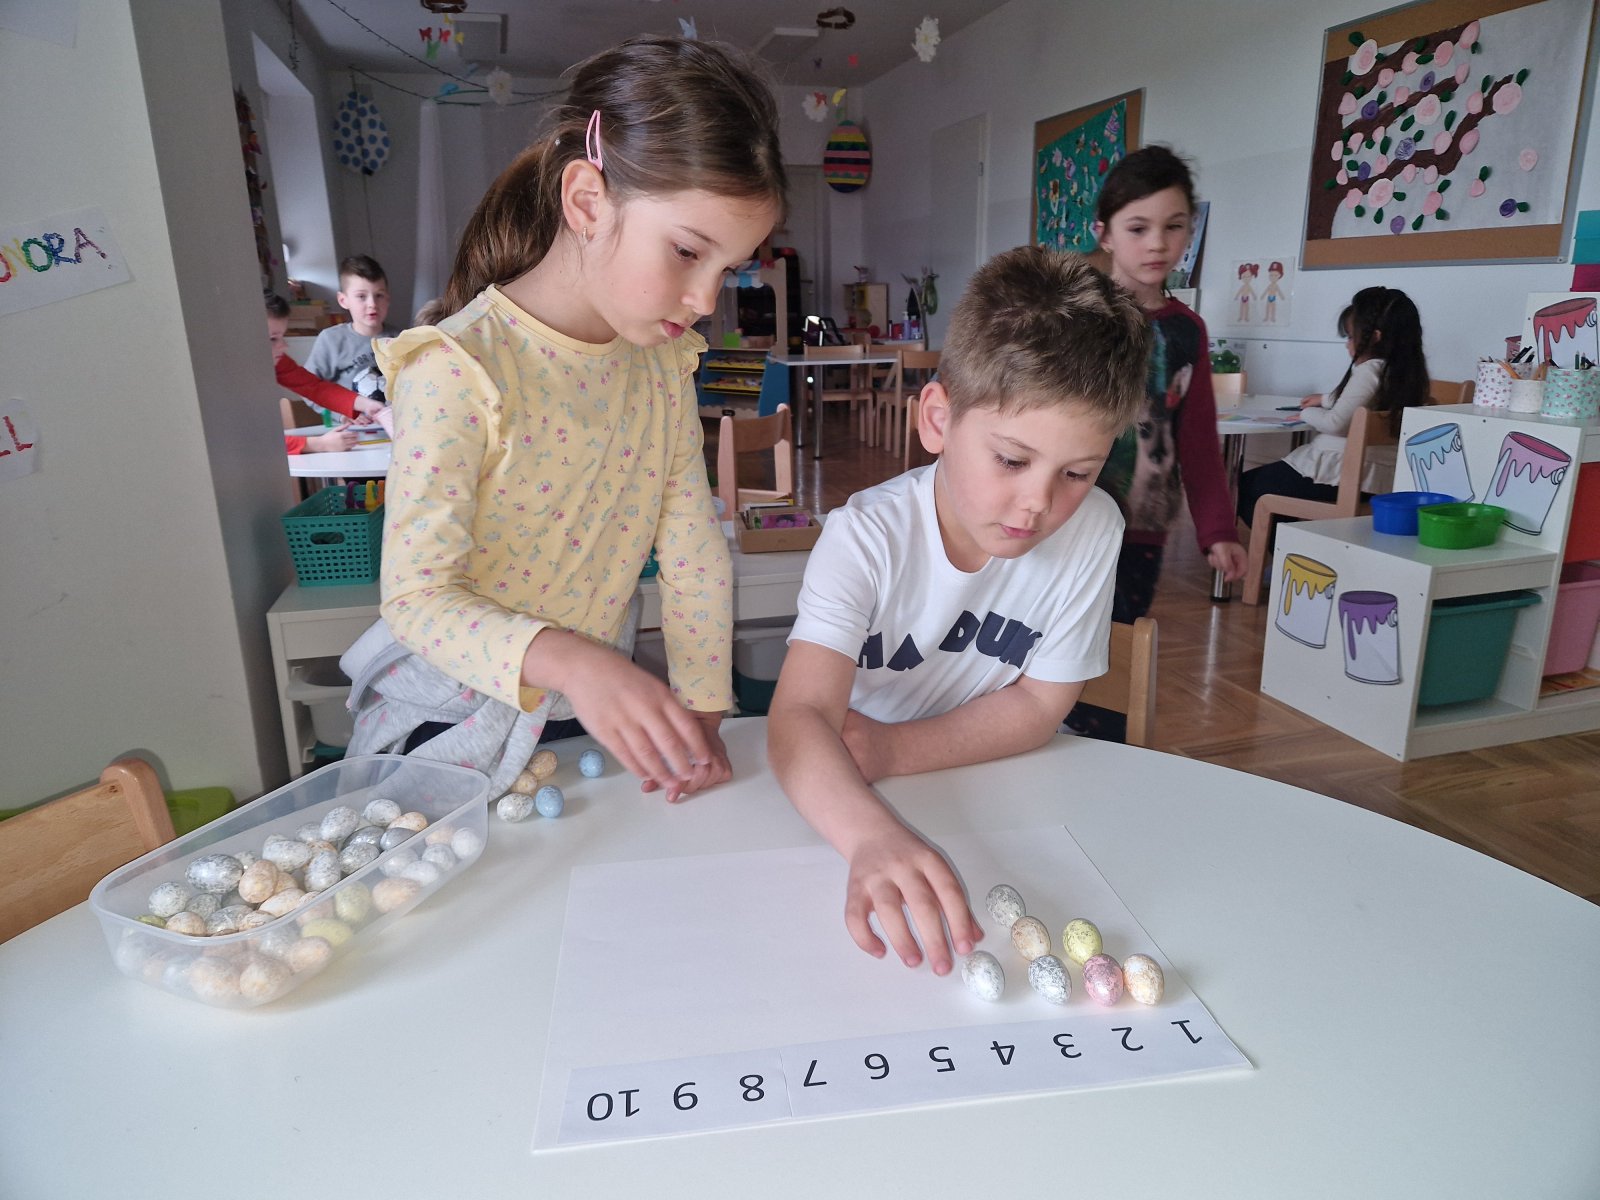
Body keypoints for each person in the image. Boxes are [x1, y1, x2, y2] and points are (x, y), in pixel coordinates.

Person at [339, 36, 786, 804]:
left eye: (729, 269)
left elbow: (694, 555)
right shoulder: (457, 367)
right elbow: (416, 600)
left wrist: (703, 711)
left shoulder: (661, 368)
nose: (707, 300)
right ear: (586, 201)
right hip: (445, 721)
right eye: (687, 252)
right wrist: (578, 662)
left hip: (581, 720)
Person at [767, 246, 1150, 975]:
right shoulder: (866, 537)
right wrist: (869, 834)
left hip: (987, 784)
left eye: (1077, 473)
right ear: (938, 419)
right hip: (848, 799)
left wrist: (892, 749)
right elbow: (799, 718)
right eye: (1012, 460)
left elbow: (1041, 705)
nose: (1039, 504)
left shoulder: (1094, 528)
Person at [1066, 145, 1246, 744]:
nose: (1157, 244)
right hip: (1062, 516)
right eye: (1138, 228)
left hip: (1141, 526)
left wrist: (1217, 530)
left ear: (1190, 231)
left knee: (1116, 646)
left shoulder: (1186, 331)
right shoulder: (1076, 314)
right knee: (1050, 633)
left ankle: (1103, 751)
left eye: (1173, 227)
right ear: (1105, 233)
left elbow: (1196, 437)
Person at [1236, 286, 1430, 522]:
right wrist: (1326, 399)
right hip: (1380, 477)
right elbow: (1366, 400)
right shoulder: (1408, 375)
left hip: (1341, 473)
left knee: (1244, 486)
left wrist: (1307, 413)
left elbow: (1336, 423)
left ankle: (1282, 543)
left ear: (1375, 337)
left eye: (1350, 336)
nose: (1347, 344)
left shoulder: (1369, 370)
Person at [265, 292, 377, 453]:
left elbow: (314, 387)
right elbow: (249, 440)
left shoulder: (279, 361)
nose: (284, 346)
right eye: (273, 339)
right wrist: (317, 444)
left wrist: (367, 404)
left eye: (282, 336)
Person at [303, 255, 397, 417]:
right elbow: (308, 387)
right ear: (343, 300)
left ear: (388, 298)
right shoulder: (331, 340)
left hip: (395, 425)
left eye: (379, 295)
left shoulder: (401, 340)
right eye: (361, 296)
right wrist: (341, 414)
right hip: (351, 428)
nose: (372, 304)